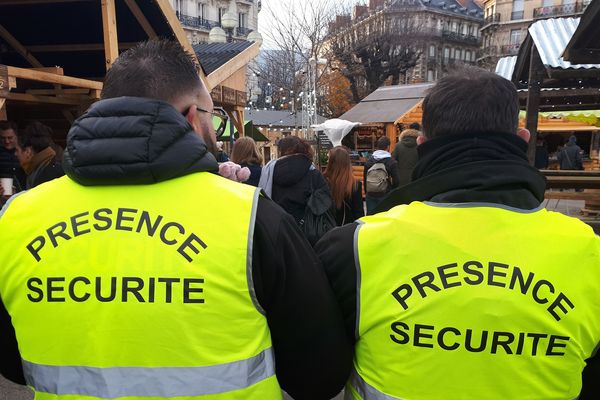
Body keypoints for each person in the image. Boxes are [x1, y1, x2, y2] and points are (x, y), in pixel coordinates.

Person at [0, 40, 351, 400]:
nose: (216, 132)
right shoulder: (252, 220)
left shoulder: (15, 219)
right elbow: (319, 375)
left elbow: (13, 361)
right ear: (190, 118)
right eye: (213, 118)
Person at [316, 68, 600, 399]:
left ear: (422, 145)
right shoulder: (589, 254)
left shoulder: (354, 247)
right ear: (523, 140)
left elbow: (318, 371)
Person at [15, 121, 65, 189]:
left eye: (17, 150)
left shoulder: (53, 172)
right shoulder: (36, 169)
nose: (15, 154)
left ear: (28, 151)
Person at [324, 146, 364, 226]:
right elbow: (359, 214)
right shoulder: (355, 184)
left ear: (331, 163)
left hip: (327, 230)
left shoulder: (324, 181)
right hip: (347, 231)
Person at [363, 136, 400, 214]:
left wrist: (368, 191)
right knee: (384, 218)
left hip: (371, 194)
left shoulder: (369, 161)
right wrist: (390, 189)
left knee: (371, 218)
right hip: (385, 194)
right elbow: (397, 181)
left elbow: (365, 179)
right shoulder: (391, 162)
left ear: (378, 147)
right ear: (388, 147)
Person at [0, 121, 26, 194]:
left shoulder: (25, 152)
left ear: (16, 136)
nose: (7, 141)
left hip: (25, 193)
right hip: (4, 194)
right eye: (3, 138)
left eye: (10, 138)